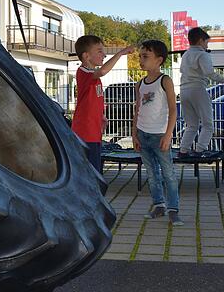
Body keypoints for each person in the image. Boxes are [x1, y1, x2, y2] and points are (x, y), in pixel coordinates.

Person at [132, 40, 183, 226]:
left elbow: (173, 110)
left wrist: (168, 135)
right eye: (140, 56)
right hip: (143, 134)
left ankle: (173, 208)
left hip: (159, 135)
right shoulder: (140, 84)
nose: (141, 60)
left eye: (145, 56)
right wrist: (134, 133)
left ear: (159, 60)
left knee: (168, 173)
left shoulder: (165, 81)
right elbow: (137, 109)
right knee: (152, 174)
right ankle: (159, 205)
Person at [71, 35, 134, 172]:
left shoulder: (93, 76)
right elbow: (103, 70)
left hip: (94, 131)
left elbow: (94, 100)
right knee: (90, 171)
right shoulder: (84, 72)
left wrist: (101, 116)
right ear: (86, 56)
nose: (104, 55)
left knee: (95, 168)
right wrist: (121, 53)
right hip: (85, 131)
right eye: (99, 51)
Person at [178, 27, 224, 156]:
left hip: (184, 90)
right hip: (198, 89)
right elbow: (209, 72)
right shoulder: (202, 54)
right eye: (206, 42)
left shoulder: (186, 54)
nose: (206, 45)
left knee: (191, 125)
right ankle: (200, 149)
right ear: (200, 40)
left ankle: (183, 150)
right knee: (208, 124)